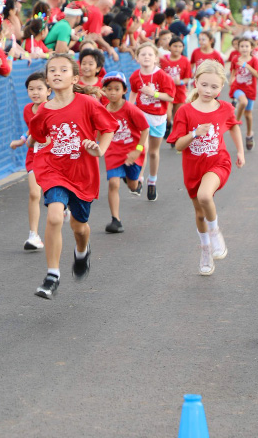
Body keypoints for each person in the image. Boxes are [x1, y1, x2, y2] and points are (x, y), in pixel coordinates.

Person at [29, 54, 116, 299]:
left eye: (63, 70)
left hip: (82, 173)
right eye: (52, 70)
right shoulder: (44, 110)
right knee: (55, 216)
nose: (57, 73)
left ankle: (82, 251)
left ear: (75, 78)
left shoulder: (87, 103)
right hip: (54, 169)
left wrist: (100, 150)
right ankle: (52, 275)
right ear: (47, 79)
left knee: (79, 227)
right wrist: (28, 142)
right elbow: (37, 135)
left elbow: (108, 128)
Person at [166, 61, 244, 276]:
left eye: (214, 87)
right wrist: (195, 134)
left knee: (205, 196)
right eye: (204, 85)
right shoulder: (185, 111)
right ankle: (206, 250)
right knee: (200, 214)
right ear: (196, 82)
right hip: (193, 168)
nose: (209, 90)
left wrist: (240, 152)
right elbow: (178, 145)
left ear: (221, 88)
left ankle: (215, 232)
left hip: (218, 162)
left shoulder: (225, 108)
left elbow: (234, 126)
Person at [101, 72, 149, 234]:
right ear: (104, 91)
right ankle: (116, 220)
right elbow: (100, 131)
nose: (113, 92)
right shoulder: (103, 111)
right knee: (113, 183)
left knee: (132, 185)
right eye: (109, 89)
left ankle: (136, 183)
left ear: (124, 90)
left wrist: (138, 150)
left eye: (117, 89)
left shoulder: (130, 109)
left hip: (131, 152)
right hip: (113, 153)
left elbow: (145, 129)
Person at [129, 42, 176, 202]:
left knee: (153, 152)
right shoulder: (135, 76)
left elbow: (170, 97)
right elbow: (133, 92)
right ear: (137, 58)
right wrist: (129, 109)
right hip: (142, 115)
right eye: (143, 54)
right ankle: (139, 179)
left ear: (156, 58)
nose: (146, 57)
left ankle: (152, 181)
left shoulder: (163, 76)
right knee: (143, 147)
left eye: (150, 54)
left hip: (158, 117)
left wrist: (153, 93)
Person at [9, 71, 50, 251]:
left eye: (39, 88)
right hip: (35, 154)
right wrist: (22, 140)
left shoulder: (53, 107)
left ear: (49, 91)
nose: (35, 92)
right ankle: (33, 235)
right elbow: (32, 129)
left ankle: (64, 206)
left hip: (54, 155)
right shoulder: (28, 109)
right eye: (31, 89)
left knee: (54, 192)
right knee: (34, 193)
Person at [228, 37, 258, 151]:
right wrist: (231, 79)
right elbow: (233, 71)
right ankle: (235, 121)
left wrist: (247, 66)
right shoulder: (235, 59)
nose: (244, 48)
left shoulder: (254, 60)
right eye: (242, 46)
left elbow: (257, 75)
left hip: (250, 89)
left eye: (247, 46)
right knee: (243, 101)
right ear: (238, 48)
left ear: (251, 48)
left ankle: (249, 134)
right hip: (238, 87)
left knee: (248, 115)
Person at [160, 36, 192, 142]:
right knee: (168, 115)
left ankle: (176, 137)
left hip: (180, 91)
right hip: (166, 92)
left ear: (183, 48)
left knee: (178, 116)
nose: (177, 49)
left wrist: (180, 82)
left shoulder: (185, 61)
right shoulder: (163, 59)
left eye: (180, 46)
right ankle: (168, 126)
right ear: (169, 47)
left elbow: (187, 78)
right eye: (175, 46)